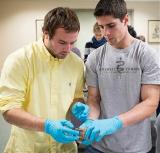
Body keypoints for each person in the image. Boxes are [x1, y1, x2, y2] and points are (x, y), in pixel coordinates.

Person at [71, 0, 160, 153]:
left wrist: (115, 122)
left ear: (125, 20)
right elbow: (94, 99)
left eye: (111, 26)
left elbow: (150, 102)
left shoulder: (147, 55)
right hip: (99, 146)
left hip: (135, 147)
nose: (106, 33)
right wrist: (90, 121)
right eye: (101, 27)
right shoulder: (94, 58)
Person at [0, 7, 85, 153]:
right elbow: (9, 110)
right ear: (45, 33)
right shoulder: (20, 60)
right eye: (62, 42)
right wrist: (47, 126)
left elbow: (77, 97)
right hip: (28, 147)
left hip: (64, 147)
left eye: (73, 42)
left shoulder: (76, 63)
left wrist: (78, 107)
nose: (68, 49)